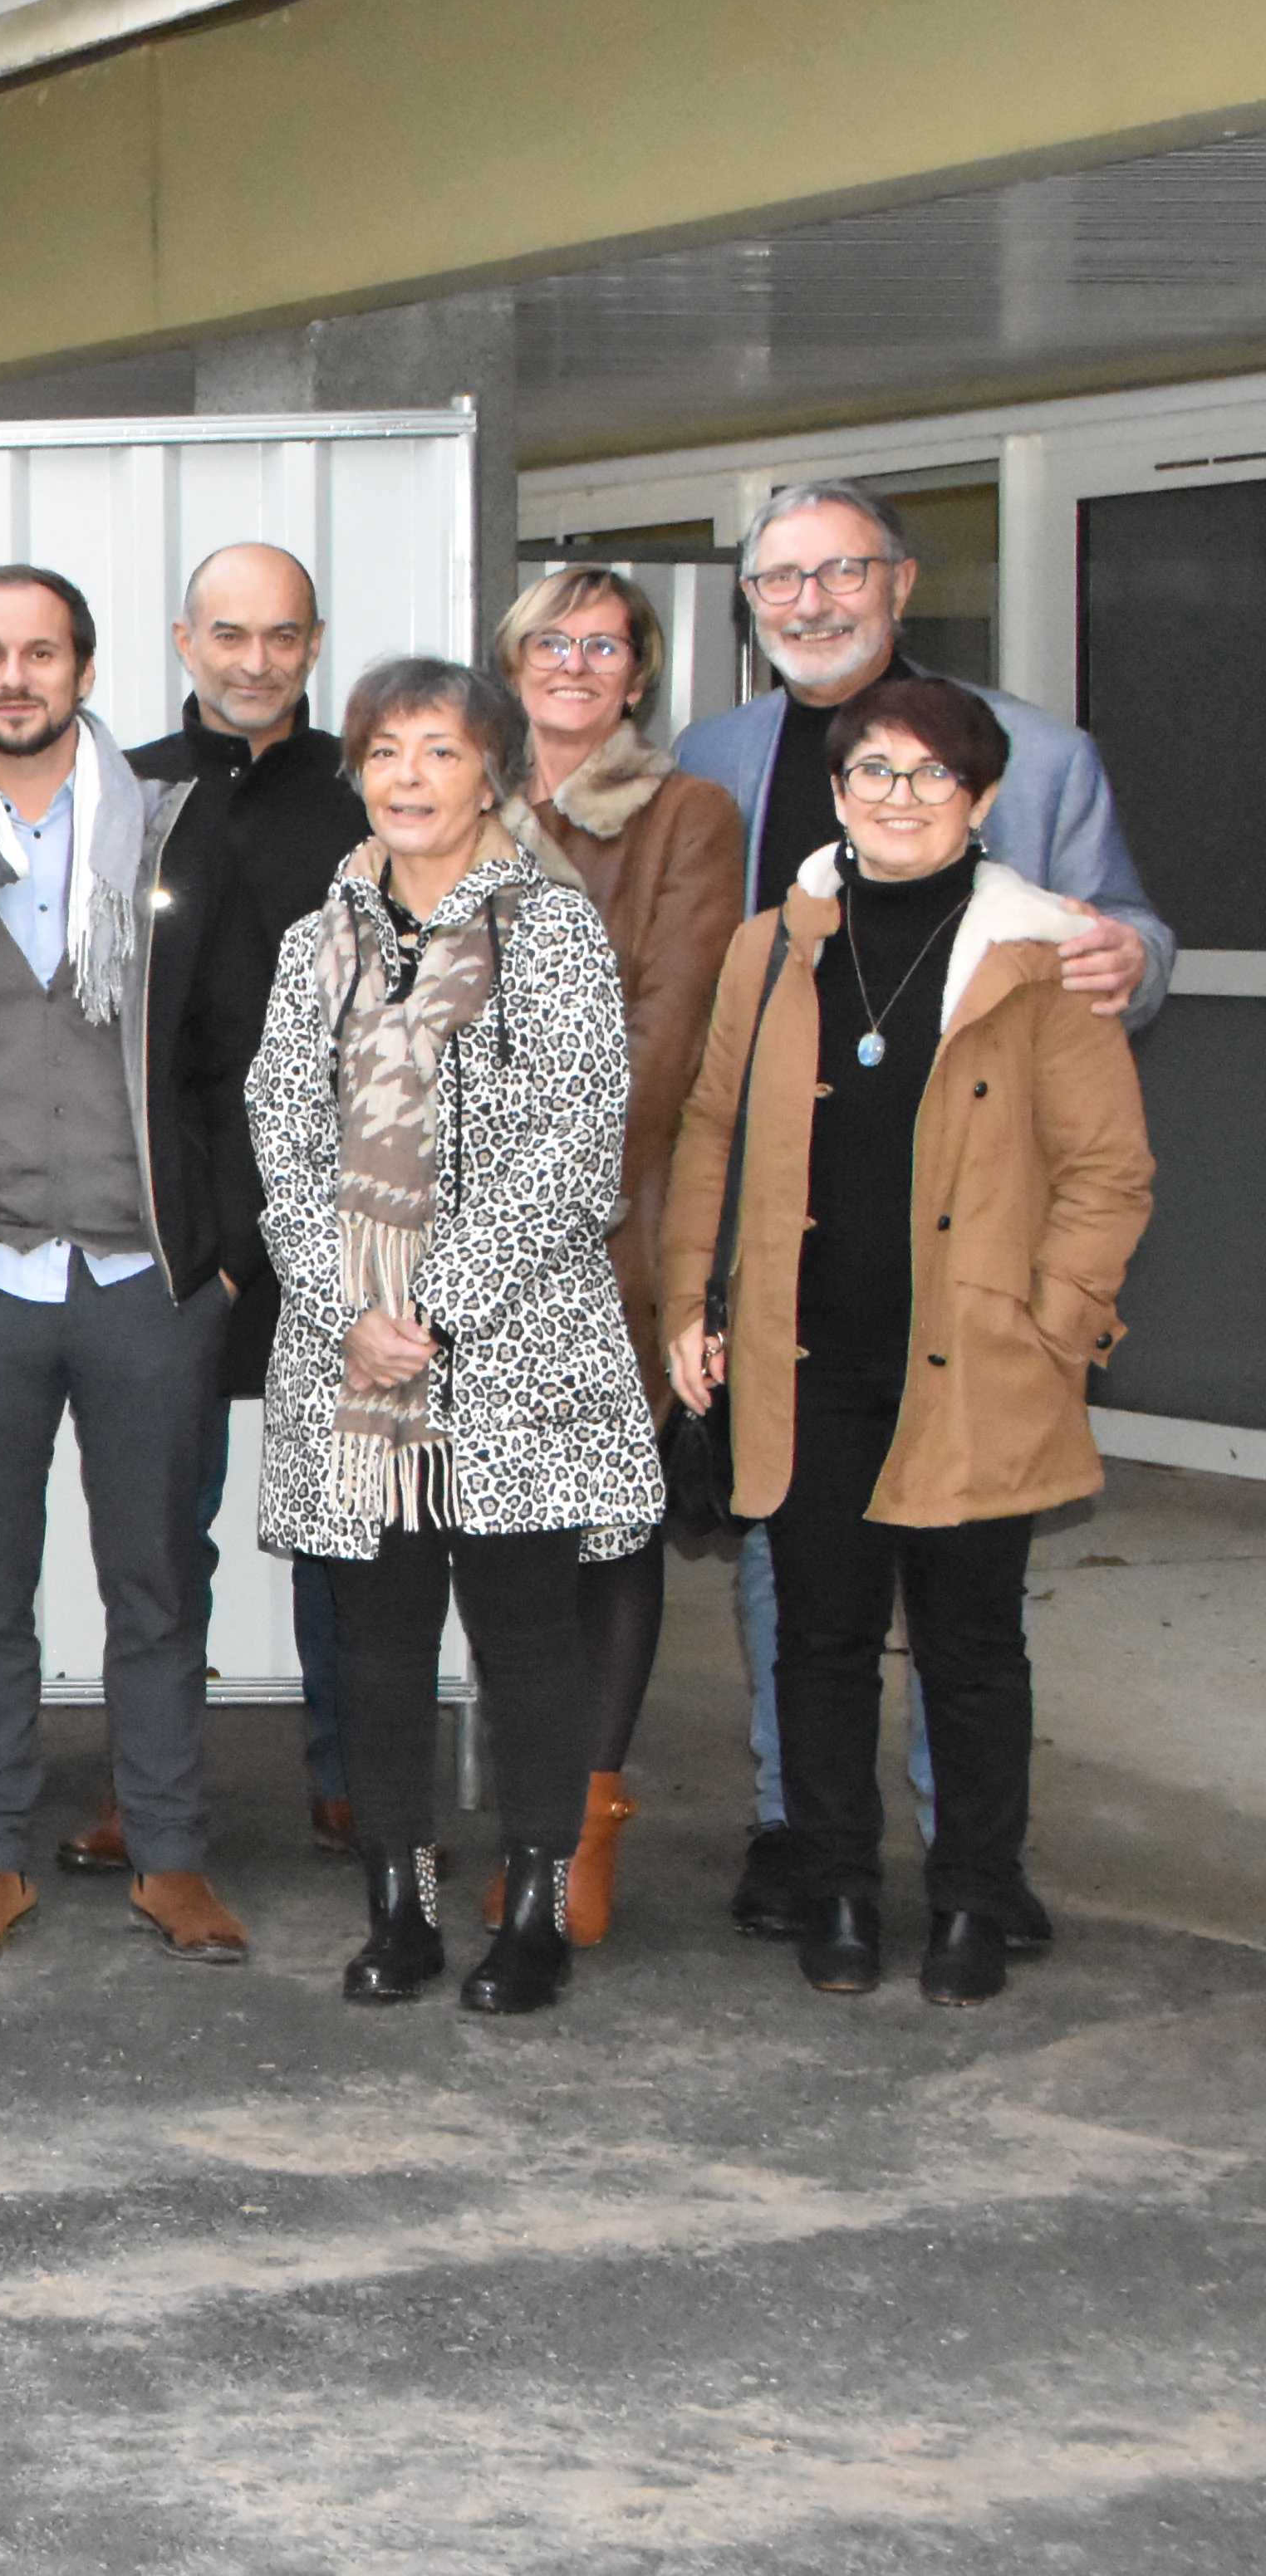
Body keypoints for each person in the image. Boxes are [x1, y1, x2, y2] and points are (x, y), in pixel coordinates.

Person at [674, 481, 1168, 1943]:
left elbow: (1121, 971)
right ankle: (810, 1846)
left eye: (841, 573)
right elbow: (713, 1093)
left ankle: (973, 1877)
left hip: (978, 1287)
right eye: (780, 580)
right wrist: (695, 1296)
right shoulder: (720, 760)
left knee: (967, 1628)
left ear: (899, 583)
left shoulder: (1039, 827)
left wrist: (1058, 1320)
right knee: (804, 1605)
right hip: (797, 1292)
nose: (811, 602)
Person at [0, 564, 259, 1971]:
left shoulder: (173, 849)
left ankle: (173, 1851)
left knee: (156, 1584)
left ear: (86, 671)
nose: (14, 677)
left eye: (40, 653)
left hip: (150, 1287)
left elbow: (240, 1067)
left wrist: (226, 1263)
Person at [246, 657, 660, 2015]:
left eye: (437, 751)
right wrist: (344, 1304)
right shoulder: (326, 938)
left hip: (510, 1350)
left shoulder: (552, 928)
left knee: (526, 1638)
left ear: (495, 772)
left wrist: (431, 1309)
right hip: (349, 1357)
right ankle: (398, 1908)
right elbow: (279, 1133)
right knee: (371, 1640)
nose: (408, 778)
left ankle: (533, 1909)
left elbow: (574, 1155)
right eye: (384, 752)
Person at [62, 541, 368, 1876]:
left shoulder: (372, 793)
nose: (255, 661)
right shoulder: (118, 795)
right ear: (184, 641)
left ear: (314, 643)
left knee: (345, 1508)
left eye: (282, 636)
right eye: (229, 635)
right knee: (159, 1521)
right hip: (174, 1212)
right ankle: (153, 1781)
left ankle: (360, 1775)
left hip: (347, 1202)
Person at [498, 564, 744, 1944]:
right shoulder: (467, 804)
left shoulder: (684, 816)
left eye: (604, 646)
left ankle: (581, 1832)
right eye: (552, 643)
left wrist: (547, 1184)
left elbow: (673, 1025)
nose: (576, 666)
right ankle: (525, 1805)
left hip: (608, 1227)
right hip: (464, 1235)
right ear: (516, 663)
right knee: (507, 1538)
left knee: (604, 1531)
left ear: (639, 674)